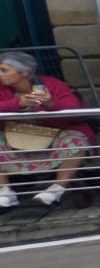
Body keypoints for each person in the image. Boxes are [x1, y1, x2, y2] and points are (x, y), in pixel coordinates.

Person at [0, 52, 92, 209]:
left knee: (76, 140)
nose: (0, 74)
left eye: (4, 70)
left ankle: (56, 190)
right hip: (14, 135)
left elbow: (75, 110)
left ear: (23, 72)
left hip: (53, 132)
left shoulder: (52, 84)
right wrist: (17, 103)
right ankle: (5, 192)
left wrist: (51, 103)